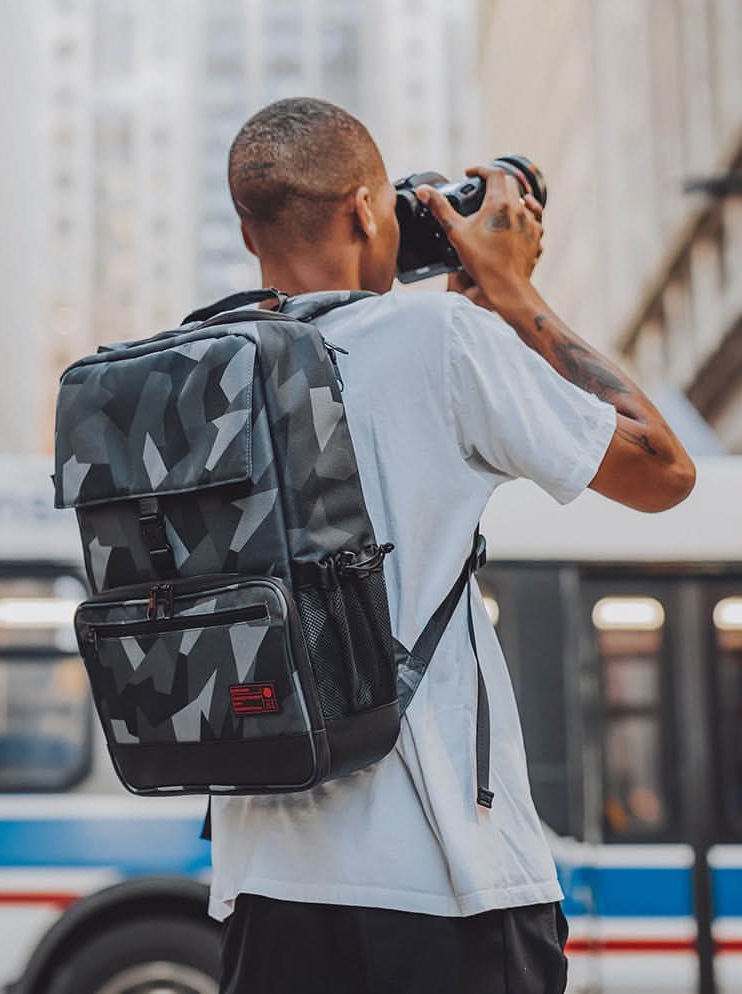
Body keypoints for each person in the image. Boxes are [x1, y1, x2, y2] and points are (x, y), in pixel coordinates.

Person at [209, 97, 695, 994]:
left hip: (260, 892)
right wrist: (511, 292)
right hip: (441, 884)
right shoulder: (445, 338)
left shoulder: (207, 360)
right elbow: (663, 470)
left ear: (250, 236)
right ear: (365, 209)